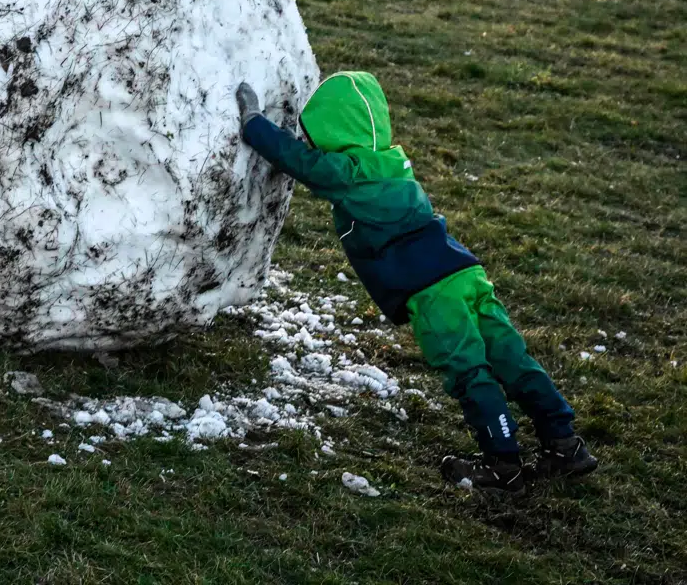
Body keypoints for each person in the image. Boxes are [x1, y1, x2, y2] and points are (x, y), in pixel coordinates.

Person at [235, 71, 596, 494]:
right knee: (512, 361)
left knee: (469, 373)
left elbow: (294, 158)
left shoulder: (348, 173)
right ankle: (565, 444)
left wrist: (254, 121)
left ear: (339, 130)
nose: (313, 142)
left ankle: (503, 465)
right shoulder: (391, 162)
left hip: (433, 293)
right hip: (465, 274)